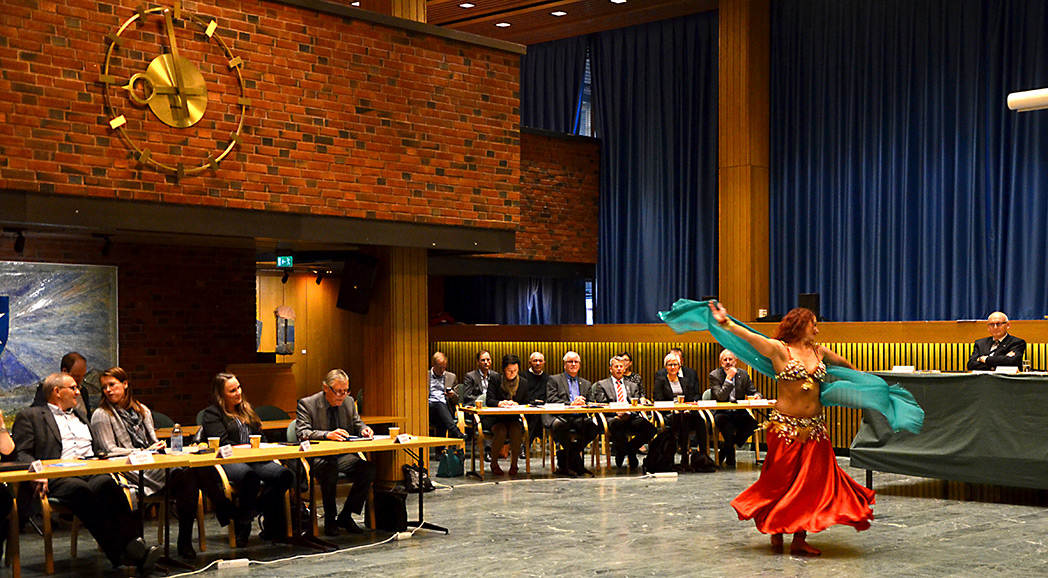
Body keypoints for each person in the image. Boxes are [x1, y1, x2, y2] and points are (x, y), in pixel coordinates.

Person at [708, 302, 874, 556]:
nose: (817, 330)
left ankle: (799, 537)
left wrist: (867, 384)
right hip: (785, 428)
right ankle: (776, 529)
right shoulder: (779, 350)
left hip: (815, 429)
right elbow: (750, 336)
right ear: (799, 326)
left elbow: (846, 366)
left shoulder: (820, 353)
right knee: (779, 483)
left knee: (809, 488)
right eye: (813, 325)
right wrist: (725, 322)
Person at [13, 372, 161, 574]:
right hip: (58, 476)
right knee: (82, 492)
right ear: (57, 392)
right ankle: (120, 555)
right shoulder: (30, 416)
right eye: (73, 388)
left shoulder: (81, 415)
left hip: (91, 470)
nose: (78, 391)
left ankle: (136, 547)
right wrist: (37, 472)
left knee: (111, 488)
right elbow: (22, 453)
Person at [91, 367, 219, 560]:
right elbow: (108, 450)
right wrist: (142, 452)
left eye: (112, 385)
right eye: (104, 387)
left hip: (153, 461)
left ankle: (184, 540)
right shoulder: (102, 414)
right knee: (189, 475)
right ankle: (225, 508)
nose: (108, 390)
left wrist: (156, 447)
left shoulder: (142, 410)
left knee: (189, 475)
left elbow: (152, 440)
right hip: (128, 467)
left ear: (125, 384)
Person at [201, 372, 293, 547]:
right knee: (249, 478)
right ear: (221, 395)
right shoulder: (212, 414)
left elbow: (261, 437)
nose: (238, 393)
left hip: (256, 459)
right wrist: (248, 448)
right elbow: (223, 444)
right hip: (230, 461)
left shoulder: (247, 410)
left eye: (239, 388)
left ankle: (249, 513)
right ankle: (244, 527)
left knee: (285, 475)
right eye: (232, 391)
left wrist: (266, 448)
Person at [296, 369, 377, 536]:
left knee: (368, 469)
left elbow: (357, 423)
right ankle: (330, 520)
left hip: (341, 455)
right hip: (317, 456)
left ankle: (346, 516)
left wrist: (365, 430)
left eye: (346, 390)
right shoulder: (307, 404)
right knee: (329, 470)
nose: (342, 395)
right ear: (326, 388)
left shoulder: (348, 402)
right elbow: (302, 432)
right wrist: (327, 435)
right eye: (338, 391)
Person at [590, 356, 655, 470]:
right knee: (617, 424)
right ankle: (627, 452)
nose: (619, 369)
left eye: (621, 366)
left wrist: (628, 412)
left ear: (625, 368)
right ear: (611, 368)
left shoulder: (632, 385)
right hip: (612, 417)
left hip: (630, 416)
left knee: (650, 429)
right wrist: (617, 413)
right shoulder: (602, 385)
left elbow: (635, 403)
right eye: (616, 367)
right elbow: (602, 403)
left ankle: (629, 450)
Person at [544, 351, 599, 477]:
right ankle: (575, 462)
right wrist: (571, 403)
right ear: (564, 365)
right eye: (570, 362)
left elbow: (591, 402)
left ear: (579, 365)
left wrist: (583, 403)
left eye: (576, 362)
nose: (573, 364)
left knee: (593, 428)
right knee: (559, 427)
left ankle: (566, 457)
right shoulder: (554, 380)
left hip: (579, 417)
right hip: (561, 416)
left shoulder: (586, 383)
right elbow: (551, 398)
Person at [652, 352, 705, 470]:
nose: (672, 367)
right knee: (682, 419)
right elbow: (658, 399)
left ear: (679, 366)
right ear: (665, 367)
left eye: (675, 364)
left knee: (700, 420)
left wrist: (687, 408)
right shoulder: (661, 381)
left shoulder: (684, 381)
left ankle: (703, 457)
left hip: (684, 412)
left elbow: (691, 398)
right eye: (669, 365)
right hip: (668, 413)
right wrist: (673, 408)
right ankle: (681, 458)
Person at [708, 349, 760, 467]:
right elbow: (720, 397)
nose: (728, 362)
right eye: (724, 360)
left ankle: (725, 449)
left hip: (739, 412)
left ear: (735, 361)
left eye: (730, 359)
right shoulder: (714, 375)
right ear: (721, 362)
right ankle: (730, 456)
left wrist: (757, 396)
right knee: (728, 428)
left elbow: (753, 391)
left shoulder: (744, 374)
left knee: (753, 425)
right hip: (722, 413)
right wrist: (728, 379)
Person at [483, 354, 528, 476]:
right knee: (501, 431)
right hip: (495, 418)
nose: (512, 373)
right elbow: (489, 400)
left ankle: (514, 465)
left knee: (516, 430)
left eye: (515, 371)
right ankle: (494, 463)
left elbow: (527, 402)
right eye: (509, 371)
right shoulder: (495, 379)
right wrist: (500, 403)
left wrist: (516, 404)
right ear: (503, 369)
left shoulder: (523, 382)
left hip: (513, 417)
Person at [427, 352, 463, 441]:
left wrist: (452, 395)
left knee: (441, 418)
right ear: (433, 365)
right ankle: (455, 431)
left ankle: (440, 452)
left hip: (446, 410)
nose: (442, 370)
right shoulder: (424, 376)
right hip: (428, 410)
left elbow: (457, 399)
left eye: (444, 367)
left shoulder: (451, 377)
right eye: (440, 368)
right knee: (439, 405)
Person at [521, 351, 550, 449]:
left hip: (543, 409)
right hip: (526, 409)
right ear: (530, 363)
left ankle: (525, 446)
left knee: (539, 416)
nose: (538, 363)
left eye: (540, 361)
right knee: (535, 416)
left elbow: (549, 396)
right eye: (535, 361)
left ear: (544, 363)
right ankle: (526, 446)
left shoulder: (548, 378)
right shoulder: (522, 377)